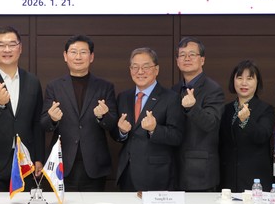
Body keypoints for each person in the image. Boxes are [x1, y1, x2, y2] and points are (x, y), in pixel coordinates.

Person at [40, 35, 118, 192]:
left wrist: (103, 116)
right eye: (73, 52)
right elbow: (44, 124)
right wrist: (52, 119)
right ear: (65, 56)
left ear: (91, 57)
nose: (78, 57)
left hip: (95, 165)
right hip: (62, 164)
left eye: (83, 52)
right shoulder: (54, 87)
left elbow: (112, 125)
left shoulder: (105, 87)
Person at [0, 26, 44, 192]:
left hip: (25, 163)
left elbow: (36, 122)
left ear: (20, 48)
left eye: (12, 45)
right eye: (1, 45)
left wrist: (39, 157)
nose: (7, 50)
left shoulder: (32, 81)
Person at [115, 48, 183, 191]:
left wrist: (154, 129)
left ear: (156, 69)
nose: (140, 72)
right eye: (135, 67)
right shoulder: (123, 97)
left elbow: (177, 136)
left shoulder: (171, 98)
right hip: (127, 173)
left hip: (156, 176)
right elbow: (118, 135)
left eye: (146, 67)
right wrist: (122, 132)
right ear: (130, 70)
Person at [171, 37, 225, 191]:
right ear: (177, 61)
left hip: (200, 173)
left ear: (202, 60)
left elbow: (211, 123)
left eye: (192, 54)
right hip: (174, 172)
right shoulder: (174, 90)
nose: (187, 58)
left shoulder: (213, 89)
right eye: (182, 55)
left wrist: (192, 108)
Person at [219, 60, 275, 192]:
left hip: (255, 181)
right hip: (228, 181)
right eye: (239, 78)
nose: (244, 83)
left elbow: (262, 136)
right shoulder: (226, 109)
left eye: (249, 78)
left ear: (257, 82)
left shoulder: (265, 109)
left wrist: (246, 121)